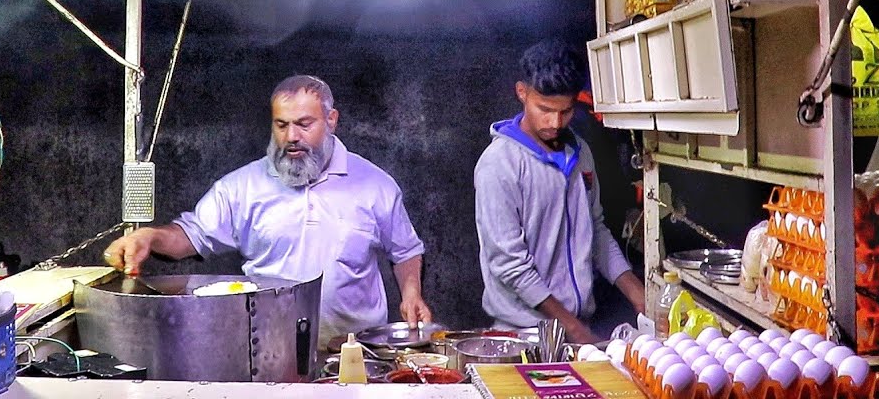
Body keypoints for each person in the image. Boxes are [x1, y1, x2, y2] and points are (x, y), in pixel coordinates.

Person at [102, 75, 432, 346]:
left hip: (357, 350)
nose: (292, 137)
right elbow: (191, 235)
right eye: (281, 125)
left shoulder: (375, 185)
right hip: (268, 351)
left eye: (305, 124)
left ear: (331, 120)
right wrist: (150, 237)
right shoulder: (241, 187)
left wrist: (411, 293)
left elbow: (405, 250)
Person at [474, 40, 646, 343]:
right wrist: (573, 328)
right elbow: (510, 265)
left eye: (565, 112)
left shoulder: (580, 153)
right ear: (522, 93)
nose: (555, 123)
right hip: (522, 335)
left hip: (576, 326)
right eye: (545, 109)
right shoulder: (499, 165)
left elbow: (595, 231)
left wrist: (635, 289)